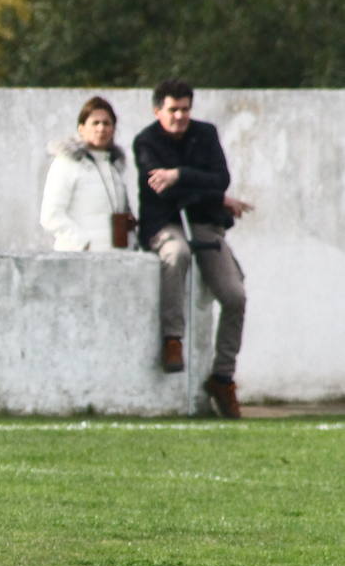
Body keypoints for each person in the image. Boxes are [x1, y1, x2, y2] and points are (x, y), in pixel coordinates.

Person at [133, 80, 253, 418]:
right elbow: (163, 192)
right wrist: (207, 191)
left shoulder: (206, 133)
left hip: (205, 223)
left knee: (234, 296)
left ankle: (222, 377)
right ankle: (173, 338)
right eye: (173, 110)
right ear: (158, 111)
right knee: (177, 253)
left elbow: (221, 178)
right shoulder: (146, 141)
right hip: (165, 223)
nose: (180, 116)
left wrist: (178, 174)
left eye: (185, 109)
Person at [40, 96, 134, 252]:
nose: (101, 128)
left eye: (106, 123)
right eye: (95, 123)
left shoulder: (115, 166)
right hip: (78, 258)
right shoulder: (67, 162)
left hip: (114, 259)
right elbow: (51, 215)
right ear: (81, 128)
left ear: (113, 129)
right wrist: (83, 244)